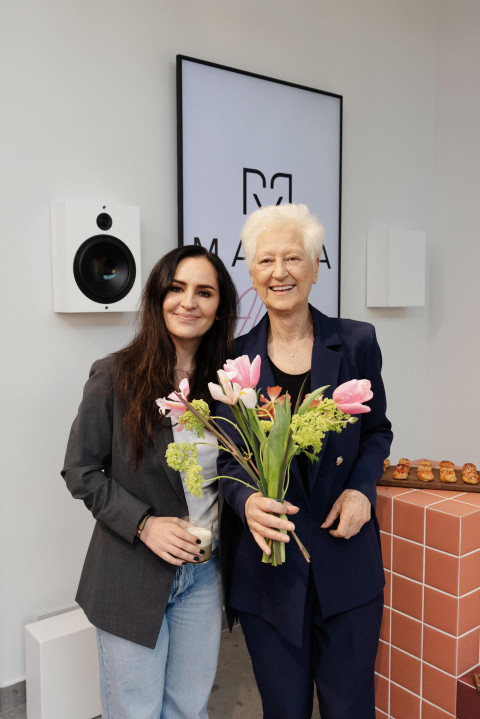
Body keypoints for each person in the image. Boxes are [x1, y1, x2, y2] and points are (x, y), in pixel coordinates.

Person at [218, 204, 393, 719]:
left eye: (293, 258)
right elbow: (228, 457)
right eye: (266, 260)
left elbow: (377, 431)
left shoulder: (356, 342)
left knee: (350, 707)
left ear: (316, 267)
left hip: (346, 562)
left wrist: (361, 489)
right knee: (284, 710)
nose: (280, 272)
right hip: (270, 575)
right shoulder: (235, 360)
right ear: (252, 273)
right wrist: (246, 502)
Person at [62, 245, 238, 719]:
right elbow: (80, 471)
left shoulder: (228, 384)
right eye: (177, 288)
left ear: (220, 306)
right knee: (135, 711)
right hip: (131, 570)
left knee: (189, 709)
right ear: (158, 295)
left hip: (203, 575)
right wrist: (144, 524)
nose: (189, 302)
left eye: (205, 292)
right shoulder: (115, 374)